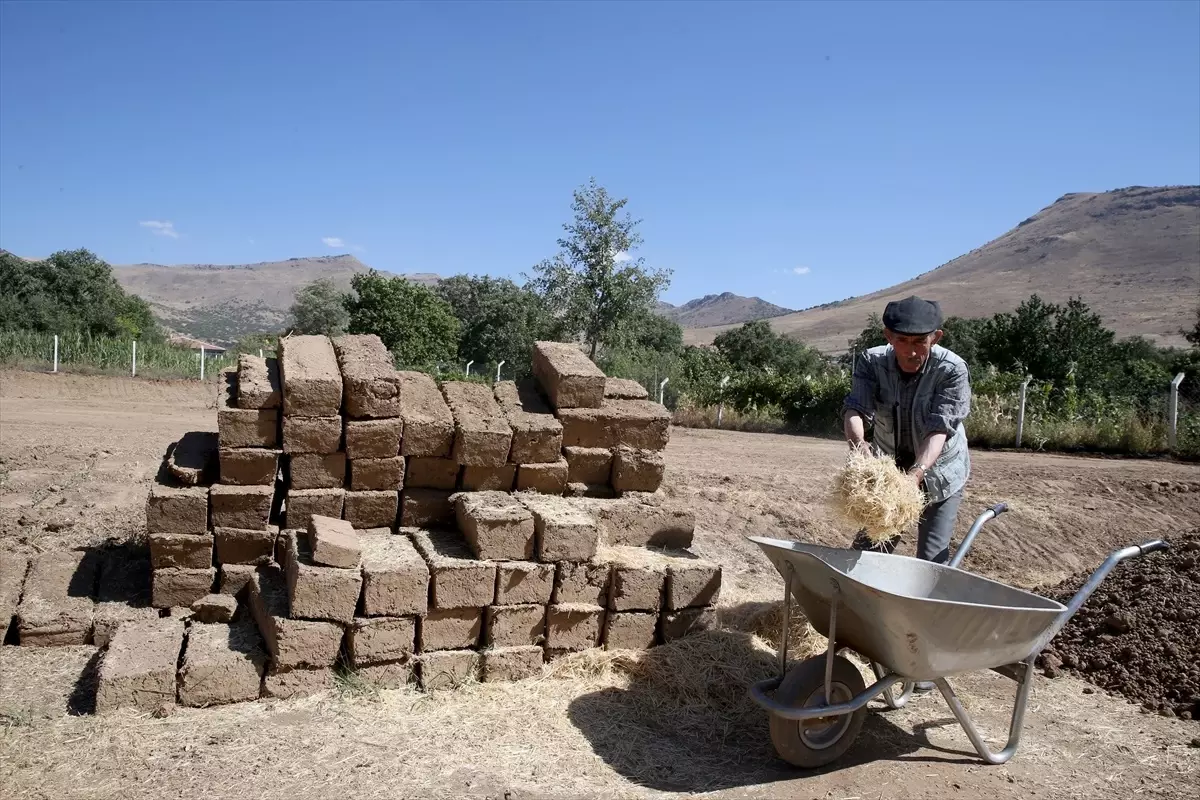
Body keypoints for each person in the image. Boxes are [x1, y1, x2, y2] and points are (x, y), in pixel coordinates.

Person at [842, 295, 972, 565]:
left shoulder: (951, 370)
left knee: (930, 559)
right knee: (868, 552)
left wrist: (916, 474)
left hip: (939, 472)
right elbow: (856, 409)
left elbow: (940, 428)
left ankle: (925, 604)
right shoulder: (871, 362)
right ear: (888, 336)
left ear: (935, 338)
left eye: (919, 342)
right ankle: (857, 601)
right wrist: (859, 447)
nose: (911, 351)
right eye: (902, 340)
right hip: (890, 468)